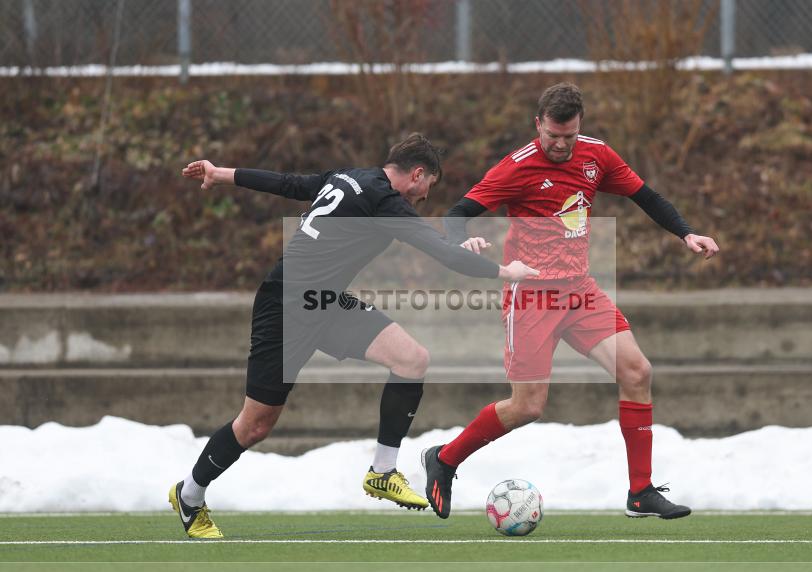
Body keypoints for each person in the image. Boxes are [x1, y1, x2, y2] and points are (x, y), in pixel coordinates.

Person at [172, 133, 538, 538]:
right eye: (427, 188)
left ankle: (382, 471)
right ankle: (189, 495)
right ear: (418, 175)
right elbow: (440, 252)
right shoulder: (384, 202)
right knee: (255, 425)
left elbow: (288, 183)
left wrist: (221, 173)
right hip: (286, 307)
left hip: (324, 304)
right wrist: (507, 272)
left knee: (412, 359)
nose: (423, 198)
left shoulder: (348, 177)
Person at [422, 83, 719, 520]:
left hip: (579, 292)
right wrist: (462, 241)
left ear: (580, 127)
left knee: (637, 371)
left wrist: (686, 232)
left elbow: (646, 197)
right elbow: (457, 214)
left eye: (570, 136)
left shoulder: (597, 155)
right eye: (553, 136)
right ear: (538, 125)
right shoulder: (517, 167)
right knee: (528, 407)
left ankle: (640, 492)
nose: (561, 145)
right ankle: (445, 459)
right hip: (532, 297)